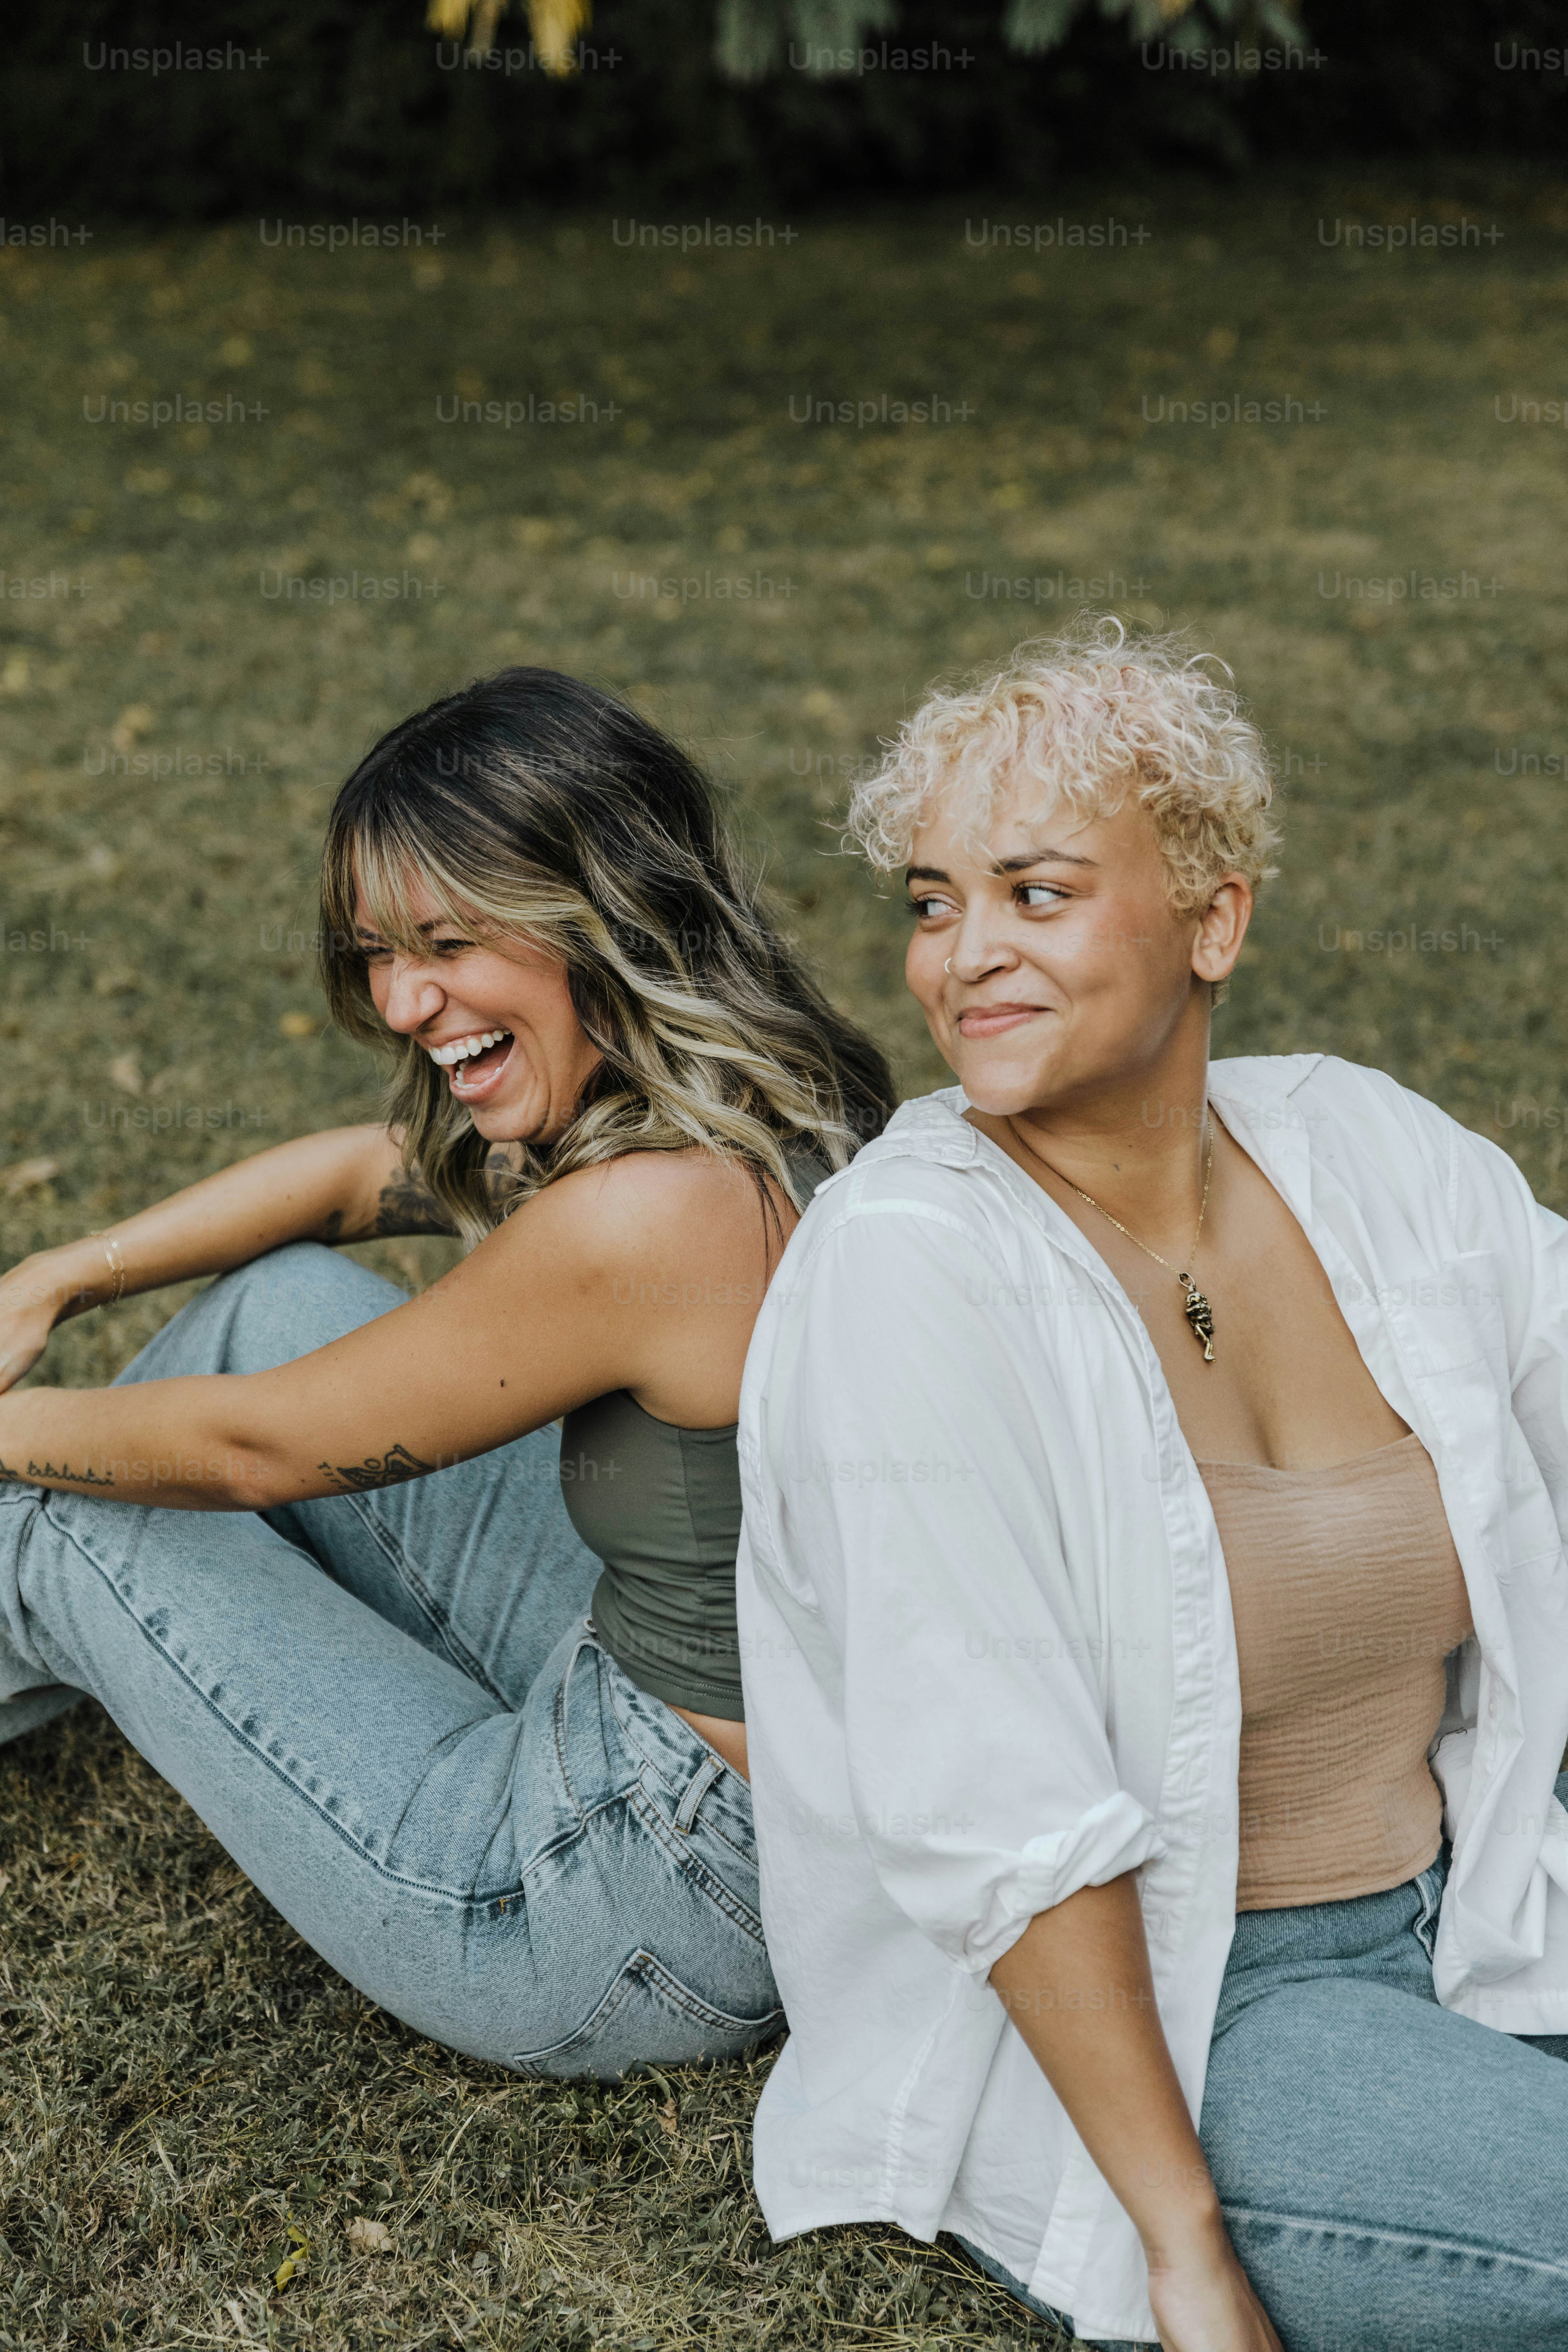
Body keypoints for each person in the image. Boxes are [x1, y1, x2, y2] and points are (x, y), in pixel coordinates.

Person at [735, 616, 1568, 2351]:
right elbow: (993, 1811)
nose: (963, 957)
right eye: (930, 901)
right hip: (1211, 2013)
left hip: (1481, 1894)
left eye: (1034, 895)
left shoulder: (1362, 1149)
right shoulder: (908, 1264)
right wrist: (1179, 2251)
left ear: (1215, 918)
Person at [0, 665, 893, 2080]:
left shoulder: (648, 1214)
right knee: (278, 1301)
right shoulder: (753, 1099)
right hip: (755, 1774)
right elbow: (367, 1176)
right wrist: (61, 1277)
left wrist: (18, 1425)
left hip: (629, 1903)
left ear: (596, 914)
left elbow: (254, 1455)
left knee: (70, 1508)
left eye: (445, 943)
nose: (403, 1001)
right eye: (375, 951)